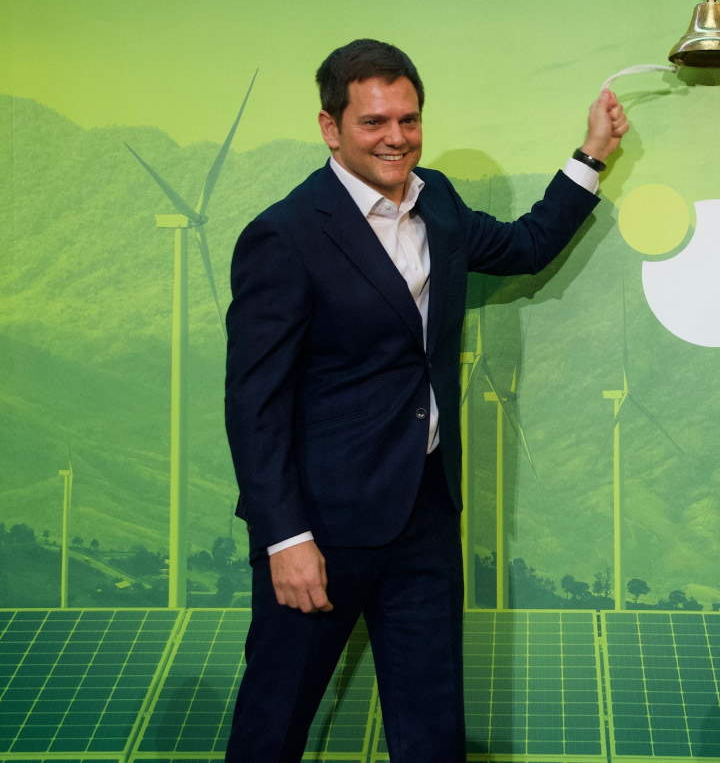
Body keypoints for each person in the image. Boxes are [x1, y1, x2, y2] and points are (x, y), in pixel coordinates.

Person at [223, 38, 627, 761]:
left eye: (408, 120)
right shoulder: (284, 235)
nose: (396, 137)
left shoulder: (435, 199)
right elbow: (254, 403)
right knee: (273, 724)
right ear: (331, 127)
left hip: (424, 515)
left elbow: (525, 245)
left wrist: (590, 155)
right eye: (375, 122)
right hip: (321, 532)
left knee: (432, 731)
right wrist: (285, 539)